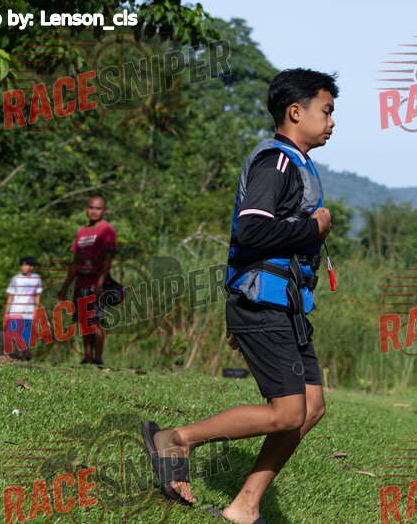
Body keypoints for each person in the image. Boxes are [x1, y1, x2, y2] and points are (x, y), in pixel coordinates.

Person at [142, 68, 337, 524]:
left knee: (311, 407)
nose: (332, 122)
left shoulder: (297, 163)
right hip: (264, 304)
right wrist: (314, 228)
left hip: (284, 307)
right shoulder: (276, 162)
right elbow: (251, 230)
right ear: (296, 112)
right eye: (326, 111)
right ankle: (177, 439)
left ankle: (245, 505)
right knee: (287, 413)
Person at [58, 195, 116, 365]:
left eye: (98, 208)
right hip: (81, 283)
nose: (93, 211)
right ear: (86, 209)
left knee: (95, 320)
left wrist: (100, 282)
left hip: (96, 282)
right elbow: (75, 262)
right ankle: (87, 358)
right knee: (84, 321)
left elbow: (108, 259)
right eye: (91, 207)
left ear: (104, 211)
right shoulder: (82, 232)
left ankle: (98, 359)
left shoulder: (107, 230)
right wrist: (65, 286)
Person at [4, 256, 42, 356]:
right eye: (22, 265)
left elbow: (37, 296)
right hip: (15, 312)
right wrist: (6, 312)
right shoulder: (16, 279)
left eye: (26, 265)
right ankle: (8, 357)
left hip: (29, 314)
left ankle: (25, 357)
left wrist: (36, 311)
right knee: (12, 336)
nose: (23, 267)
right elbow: (10, 296)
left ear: (31, 267)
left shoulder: (37, 279)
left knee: (27, 339)